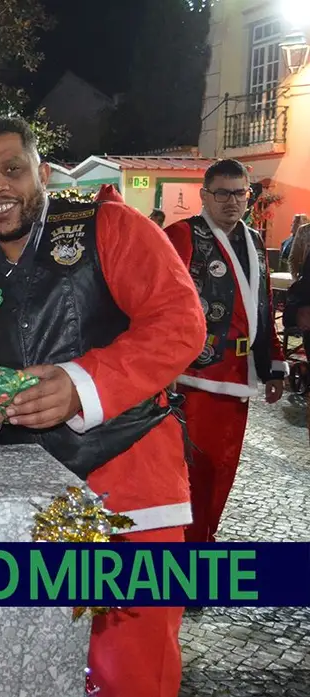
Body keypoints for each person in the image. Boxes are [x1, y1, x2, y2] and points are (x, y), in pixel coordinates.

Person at [0, 117, 205, 697]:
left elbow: (180, 324)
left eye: (11, 170)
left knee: (134, 669)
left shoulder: (111, 228)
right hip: (13, 503)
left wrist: (79, 385)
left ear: (42, 173)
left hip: (129, 488)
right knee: (19, 665)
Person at [164, 159, 285, 545]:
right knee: (193, 473)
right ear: (204, 195)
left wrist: (274, 365)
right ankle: (189, 553)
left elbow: (262, 305)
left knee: (223, 472)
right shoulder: (183, 235)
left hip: (239, 376)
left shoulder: (253, 241)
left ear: (248, 196)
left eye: (239, 193)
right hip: (194, 379)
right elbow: (159, 303)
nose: (231, 201)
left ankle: (204, 541)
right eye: (222, 193)